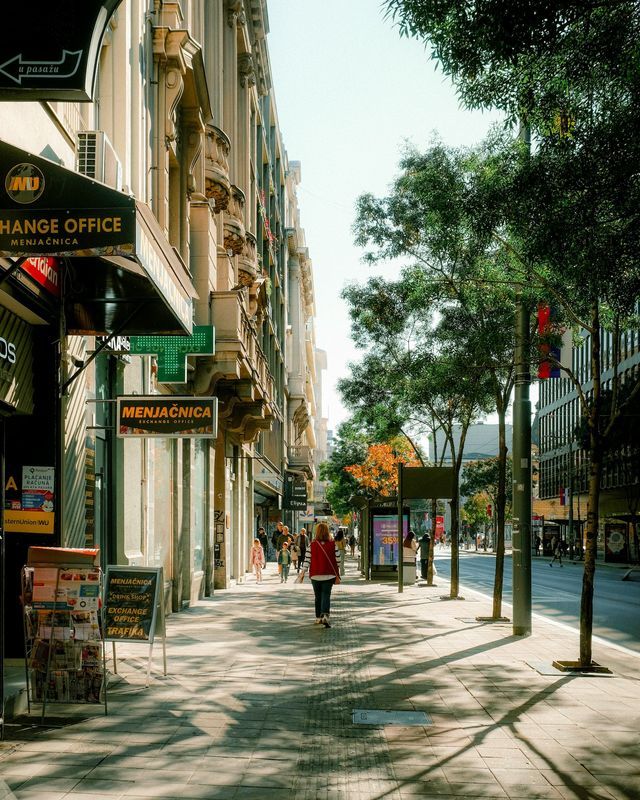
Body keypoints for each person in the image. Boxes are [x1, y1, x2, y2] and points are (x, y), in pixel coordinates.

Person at [299, 521, 340, 628]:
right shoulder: (333, 544)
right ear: (327, 532)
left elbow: (307, 560)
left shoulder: (311, 545)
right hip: (329, 575)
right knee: (326, 595)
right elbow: (338, 560)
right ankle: (325, 615)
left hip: (315, 575)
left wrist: (303, 572)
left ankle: (318, 617)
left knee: (318, 597)